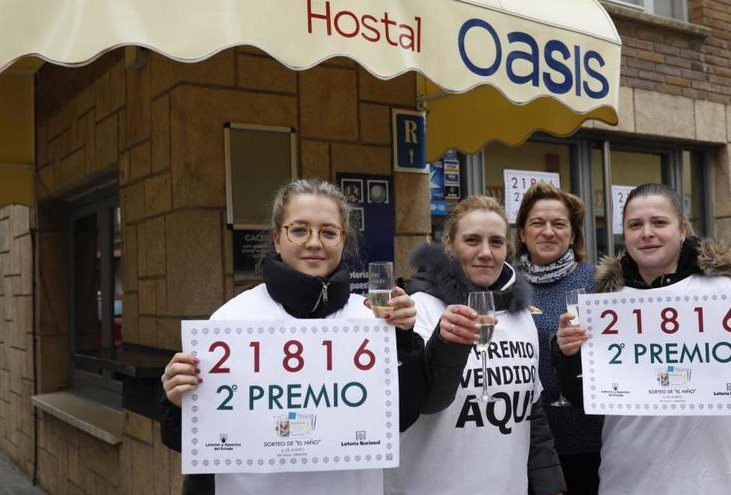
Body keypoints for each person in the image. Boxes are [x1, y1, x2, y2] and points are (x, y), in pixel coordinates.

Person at [158, 179, 467, 495]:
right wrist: (178, 400)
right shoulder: (231, 320)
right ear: (278, 238)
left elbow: (402, 417)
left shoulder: (372, 318)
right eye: (300, 230)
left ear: (343, 240)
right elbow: (185, 441)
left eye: (328, 232)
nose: (314, 242)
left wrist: (404, 340)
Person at [555, 183, 731, 495]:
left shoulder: (728, 291)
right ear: (625, 233)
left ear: (683, 230)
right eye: (635, 225)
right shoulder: (607, 302)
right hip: (627, 477)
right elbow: (585, 398)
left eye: (659, 222)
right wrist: (567, 354)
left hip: (716, 480)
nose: (646, 232)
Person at [384, 196, 566, 495]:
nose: (485, 252)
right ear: (449, 245)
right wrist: (446, 344)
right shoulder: (417, 311)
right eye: (472, 240)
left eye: (496, 242)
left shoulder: (521, 316)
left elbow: (530, 411)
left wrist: (550, 483)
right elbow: (420, 404)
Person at [516, 182, 602, 495]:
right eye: (537, 223)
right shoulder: (505, 285)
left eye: (559, 224)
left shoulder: (598, 283)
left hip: (586, 438)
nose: (548, 232)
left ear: (573, 234)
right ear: (523, 233)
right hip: (525, 441)